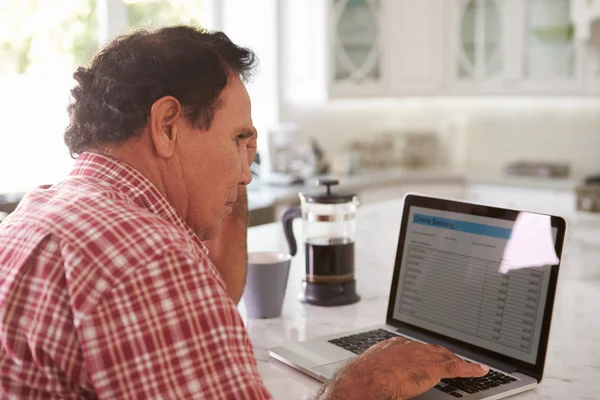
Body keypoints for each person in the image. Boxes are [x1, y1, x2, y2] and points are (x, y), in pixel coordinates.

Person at [0, 26, 487, 399]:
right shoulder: (149, 259)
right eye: (237, 138)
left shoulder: (36, 214)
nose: (247, 174)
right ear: (167, 125)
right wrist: (358, 386)